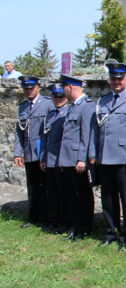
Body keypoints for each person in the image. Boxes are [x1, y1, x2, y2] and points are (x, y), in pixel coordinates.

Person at [90, 62, 126, 250]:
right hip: (105, 156)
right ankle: (110, 232)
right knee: (107, 197)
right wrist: (94, 154)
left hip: (124, 158)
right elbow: (96, 129)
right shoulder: (103, 101)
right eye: (114, 79)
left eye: (120, 79)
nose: (117, 82)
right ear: (109, 80)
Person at [58, 74, 95, 241]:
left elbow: (86, 135)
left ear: (70, 87)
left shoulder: (87, 107)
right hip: (67, 158)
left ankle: (84, 228)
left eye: (63, 88)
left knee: (82, 195)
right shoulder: (72, 107)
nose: (62, 91)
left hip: (77, 160)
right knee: (71, 195)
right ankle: (74, 226)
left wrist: (82, 159)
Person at [14, 75, 54, 228]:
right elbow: (19, 132)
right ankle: (33, 217)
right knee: (32, 186)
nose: (28, 91)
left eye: (31, 88)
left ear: (38, 87)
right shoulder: (22, 106)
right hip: (29, 152)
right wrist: (18, 152)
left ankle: (47, 218)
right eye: (25, 88)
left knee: (46, 186)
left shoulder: (47, 104)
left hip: (43, 150)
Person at [39, 83, 69, 234]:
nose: (58, 99)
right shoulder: (49, 116)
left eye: (61, 96)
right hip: (49, 160)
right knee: (51, 193)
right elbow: (44, 139)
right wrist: (43, 157)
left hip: (61, 161)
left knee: (63, 194)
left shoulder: (68, 113)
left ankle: (64, 223)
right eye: (55, 96)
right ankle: (52, 221)